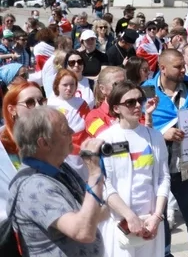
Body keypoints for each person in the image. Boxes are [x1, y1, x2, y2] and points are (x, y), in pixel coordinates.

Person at [8, 106, 107, 256]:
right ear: (44, 143)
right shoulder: (35, 186)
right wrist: (94, 173)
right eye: (65, 130)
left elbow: (96, 214)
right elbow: (83, 231)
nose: (73, 133)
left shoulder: (61, 168)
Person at [141, 49, 188, 257]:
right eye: (178, 66)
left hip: (186, 167)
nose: (183, 70)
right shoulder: (146, 91)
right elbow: (137, 129)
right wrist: (163, 133)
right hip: (156, 170)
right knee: (159, 218)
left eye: (182, 66)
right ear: (162, 68)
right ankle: (165, 253)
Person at [98, 81, 169, 257]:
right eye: (130, 102)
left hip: (150, 223)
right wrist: (129, 216)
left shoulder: (155, 136)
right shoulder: (105, 139)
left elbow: (163, 177)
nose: (137, 105)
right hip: (119, 224)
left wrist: (157, 216)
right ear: (116, 108)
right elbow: (104, 184)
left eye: (140, 100)